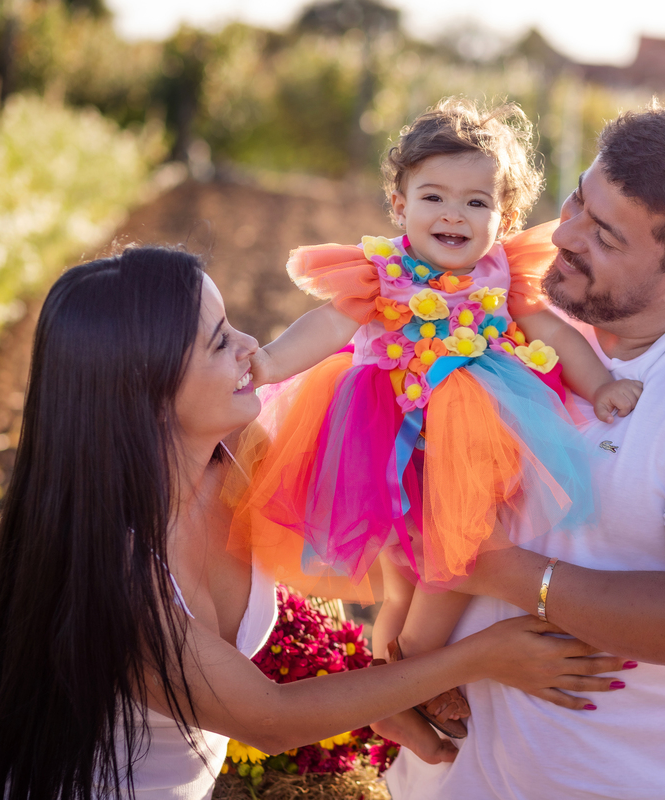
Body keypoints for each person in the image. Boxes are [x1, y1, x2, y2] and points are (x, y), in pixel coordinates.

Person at [0, 247, 628, 799]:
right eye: (219, 339)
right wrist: (484, 654)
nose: (250, 343)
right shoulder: (117, 571)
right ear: (144, 387)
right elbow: (267, 719)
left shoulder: (235, 460)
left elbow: (376, 494)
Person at [385, 98, 665, 799]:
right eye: (578, 200)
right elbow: (413, 468)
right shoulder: (506, 315)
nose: (565, 235)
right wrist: (398, 647)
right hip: (445, 779)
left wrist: (492, 567)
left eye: (606, 237)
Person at [232, 98, 642, 737]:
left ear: (503, 217)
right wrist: (270, 362)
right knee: (401, 577)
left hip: (468, 442)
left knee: (454, 556)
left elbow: (553, 338)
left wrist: (601, 383)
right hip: (378, 436)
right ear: (399, 206)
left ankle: (422, 666)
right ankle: (397, 677)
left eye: (476, 203)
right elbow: (326, 325)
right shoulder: (381, 270)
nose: (453, 214)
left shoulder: (504, 274)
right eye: (433, 197)